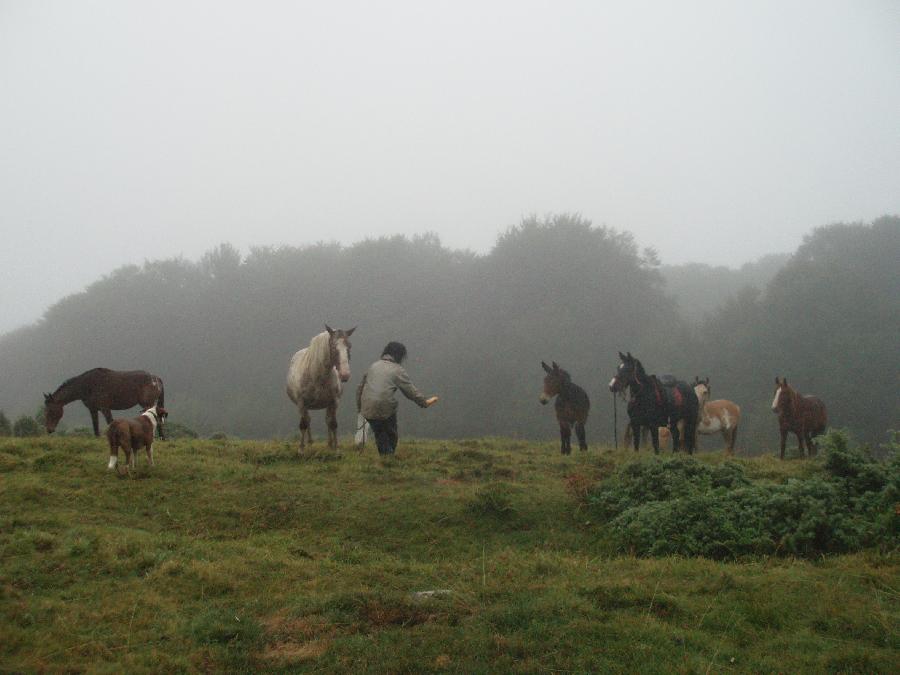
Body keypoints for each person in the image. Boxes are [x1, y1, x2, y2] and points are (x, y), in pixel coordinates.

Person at [357, 341, 438, 455]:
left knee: (379, 433)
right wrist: (424, 403)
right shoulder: (397, 370)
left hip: (367, 407)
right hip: (385, 408)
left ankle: (386, 458)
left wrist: (360, 409)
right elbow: (411, 392)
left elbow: (360, 388)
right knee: (391, 434)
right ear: (400, 356)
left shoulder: (373, 366)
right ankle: (389, 457)